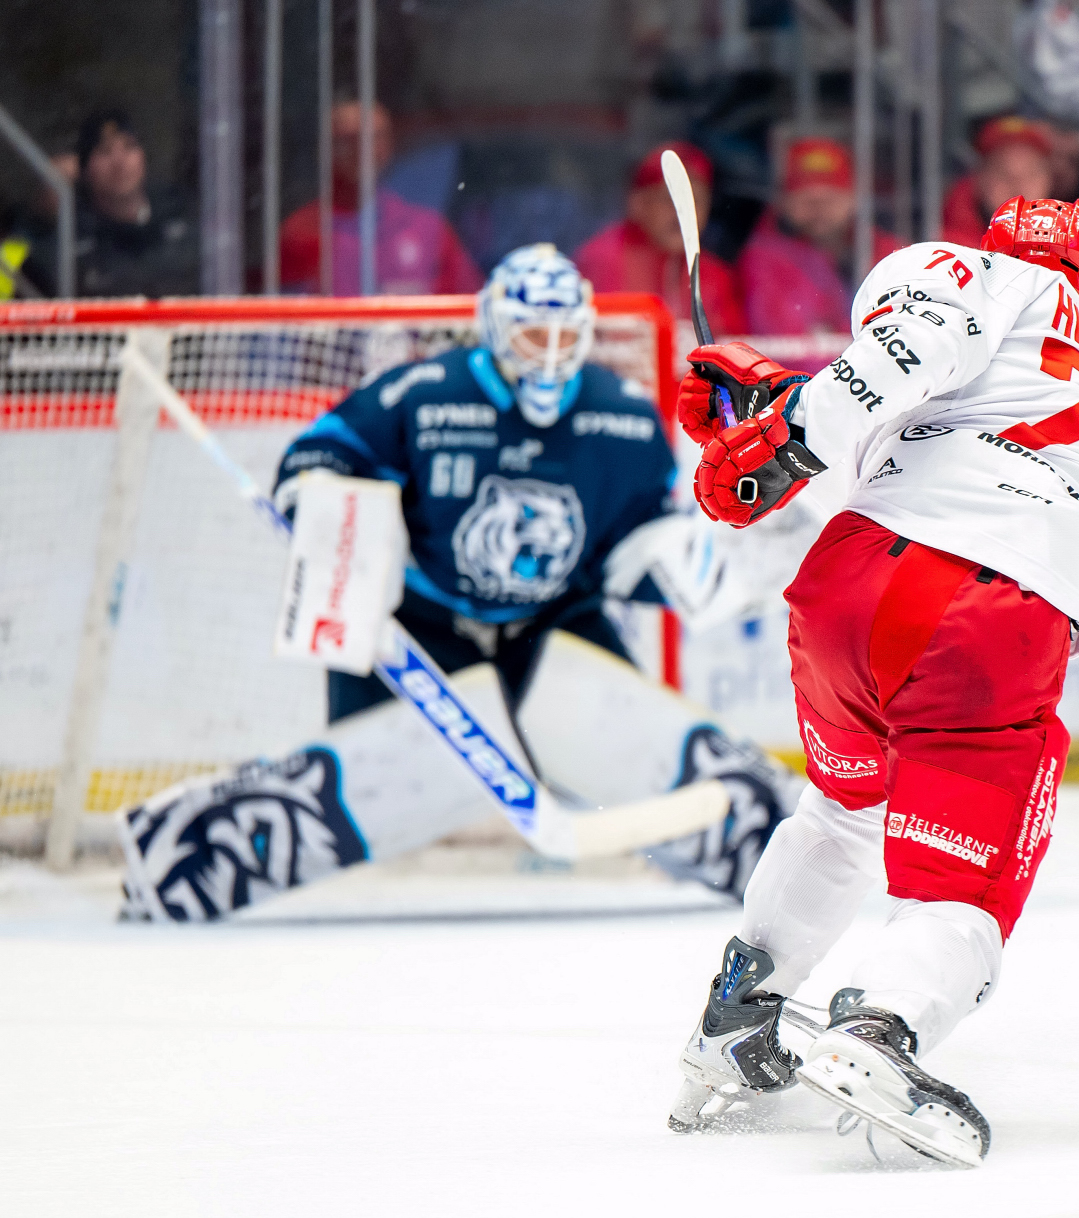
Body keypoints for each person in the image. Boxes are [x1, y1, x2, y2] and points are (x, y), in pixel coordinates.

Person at [118, 246, 802, 922]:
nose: (550, 355)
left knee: (613, 734)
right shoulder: (424, 393)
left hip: (554, 621)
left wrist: (703, 560)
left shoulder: (620, 413)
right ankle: (187, 856)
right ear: (496, 329)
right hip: (427, 625)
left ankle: (790, 850)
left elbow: (639, 535)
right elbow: (321, 452)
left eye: (566, 336)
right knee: (385, 767)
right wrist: (325, 510)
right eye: (533, 335)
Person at [666, 197, 1079, 1168]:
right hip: (988, 609)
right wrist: (790, 423)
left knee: (842, 809)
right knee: (967, 877)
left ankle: (735, 1021)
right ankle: (879, 1030)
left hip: (844, 590)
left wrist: (780, 418)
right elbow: (928, 368)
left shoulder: (969, 274)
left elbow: (901, 398)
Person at [278, 100, 482, 297]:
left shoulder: (427, 228)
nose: (363, 149)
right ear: (326, 148)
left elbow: (470, 302)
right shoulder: (301, 233)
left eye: (375, 137)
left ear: (390, 145)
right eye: (349, 138)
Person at [738, 137, 904, 336]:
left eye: (830, 198)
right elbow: (788, 334)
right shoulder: (764, 260)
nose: (819, 210)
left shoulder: (890, 254)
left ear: (853, 198)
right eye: (807, 199)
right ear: (784, 201)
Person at [575, 141, 745, 336]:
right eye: (668, 198)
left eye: (695, 201)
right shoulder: (603, 260)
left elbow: (731, 345)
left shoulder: (715, 277)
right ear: (638, 202)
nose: (681, 212)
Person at [25, 110, 199, 298]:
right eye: (105, 151)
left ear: (143, 157)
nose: (119, 162)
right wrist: (42, 215)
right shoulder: (74, 243)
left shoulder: (181, 214)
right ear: (83, 169)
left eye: (129, 146)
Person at [940, 117, 1056, 248]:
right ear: (981, 178)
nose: (1018, 185)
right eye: (1003, 173)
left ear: (1049, 180)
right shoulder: (943, 247)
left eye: (1030, 173)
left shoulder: (1069, 247)